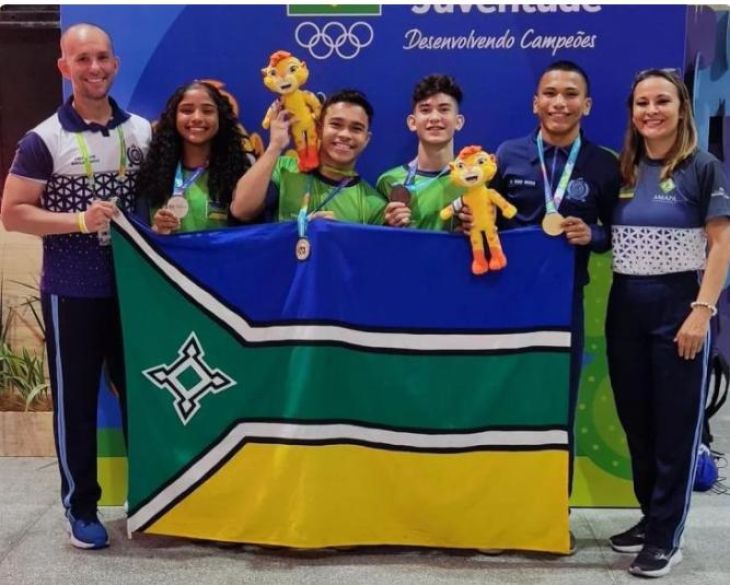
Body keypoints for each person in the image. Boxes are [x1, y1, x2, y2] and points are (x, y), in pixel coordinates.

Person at [0, 23, 151, 550]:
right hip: (72, 290)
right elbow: (13, 214)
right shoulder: (43, 139)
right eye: (81, 58)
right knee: (77, 403)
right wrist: (79, 221)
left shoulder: (143, 133)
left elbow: (153, 202)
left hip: (135, 292)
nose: (94, 68)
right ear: (64, 67)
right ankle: (81, 507)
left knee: (145, 399)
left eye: (102, 57)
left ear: (116, 62)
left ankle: (150, 500)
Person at [491, 60, 621, 552]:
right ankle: (502, 513)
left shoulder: (605, 164)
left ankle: (550, 516)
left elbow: (614, 235)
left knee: (555, 413)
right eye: (550, 93)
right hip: (504, 305)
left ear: (585, 105)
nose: (559, 102)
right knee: (505, 406)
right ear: (535, 102)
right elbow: (488, 223)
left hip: (564, 306)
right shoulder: (509, 155)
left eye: (570, 94)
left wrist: (594, 234)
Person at [605, 69, 730, 578]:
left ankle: (666, 538)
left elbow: (721, 245)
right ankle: (650, 516)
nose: (650, 111)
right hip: (625, 306)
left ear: (681, 109)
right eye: (641, 103)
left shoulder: (704, 167)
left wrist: (701, 312)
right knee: (639, 423)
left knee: (676, 430)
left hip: (679, 307)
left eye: (661, 101)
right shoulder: (625, 170)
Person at [230, 89, 386, 225]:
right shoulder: (284, 168)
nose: (345, 134)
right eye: (336, 125)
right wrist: (274, 147)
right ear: (318, 129)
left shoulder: (374, 204)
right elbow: (241, 210)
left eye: (356, 128)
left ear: (366, 139)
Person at [135, 80, 252, 233]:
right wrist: (157, 229)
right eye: (187, 110)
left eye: (207, 111)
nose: (197, 117)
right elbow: (140, 240)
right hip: (164, 257)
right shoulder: (152, 173)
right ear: (173, 118)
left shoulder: (239, 171)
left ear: (220, 118)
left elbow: (251, 233)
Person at [376, 74, 466, 230]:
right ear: (412, 122)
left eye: (444, 110)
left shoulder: (475, 179)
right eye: (425, 110)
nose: (435, 117)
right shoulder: (388, 181)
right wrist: (386, 225)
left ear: (458, 122)